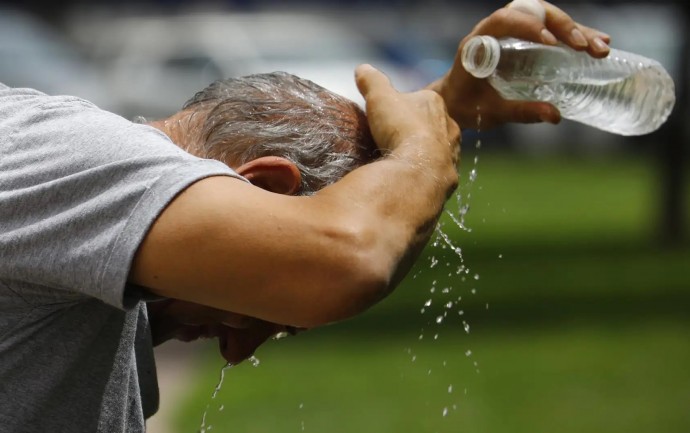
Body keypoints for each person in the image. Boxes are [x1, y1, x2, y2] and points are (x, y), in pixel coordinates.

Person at [0, 1, 611, 432]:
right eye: (269, 312)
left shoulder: (80, 219)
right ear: (264, 186)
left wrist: (438, 109)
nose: (239, 350)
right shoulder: (67, 153)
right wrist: (424, 155)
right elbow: (343, 260)